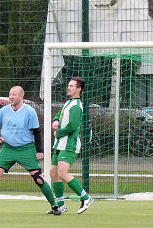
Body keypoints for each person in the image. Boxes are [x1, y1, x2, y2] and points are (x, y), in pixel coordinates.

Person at [0, 86, 61, 216]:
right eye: (10, 94)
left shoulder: (29, 111)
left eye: (14, 94)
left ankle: (54, 206)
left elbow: (36, 132)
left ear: (21, 96)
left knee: (38, 178)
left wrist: (39, 151)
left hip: (26, 149)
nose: (11, 97)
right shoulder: (3, 111)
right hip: (8, 148)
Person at [49, 77, 94, 214]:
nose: (68, 87)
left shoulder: (76, 106)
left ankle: (86, 198)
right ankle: (61, 205)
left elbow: (73, 126)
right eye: (68, 85)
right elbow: (59, 114)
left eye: (72, 86)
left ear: (79, 89)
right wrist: (56, 120)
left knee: (62, 173)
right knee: (53, 173)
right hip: (60, 144)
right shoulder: (69, 103)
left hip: (69, 145)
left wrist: (59, 132)